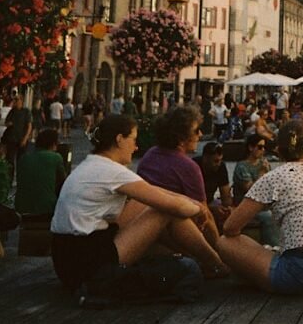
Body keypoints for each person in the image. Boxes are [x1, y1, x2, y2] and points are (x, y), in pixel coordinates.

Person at [50, 114, 229, 294]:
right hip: (91, 266)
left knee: (142, 204)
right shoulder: (113, 172)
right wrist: (200, 209)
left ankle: (203, 260)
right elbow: (176, 207)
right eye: (134, 140)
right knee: (163, 211)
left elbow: (154, 191)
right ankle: (215, 263)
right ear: (120, 139)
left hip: (67, 261)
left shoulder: (93, 165)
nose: (136, 147)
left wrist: (191, 202)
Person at [218, 120, 303, 294]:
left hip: (297, 275)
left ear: (278, 150)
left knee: (224, 242)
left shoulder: (273, 178)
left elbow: (230, 228)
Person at [136, 105, 221, 248]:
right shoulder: (189, 167)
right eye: (196, 131)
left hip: (145, 230)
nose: (200, 134)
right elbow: (205, 215)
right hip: (176, 235)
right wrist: (220, 250)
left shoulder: (150, 154)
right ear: (181, 138)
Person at [15, 128, 67, 219]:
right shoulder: (56, 157)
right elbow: (64, 183)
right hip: (46, 208)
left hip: (22, 207)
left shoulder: (24, 158)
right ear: (54, 144)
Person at [194, 142, 233, 229]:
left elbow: (225, 195)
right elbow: (190, 197)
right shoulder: (194, 166)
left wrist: (227, 208)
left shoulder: (221, 167)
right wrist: (210, 208)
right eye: (215, 161)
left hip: (211, 201)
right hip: (194, 203)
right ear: (205, 158)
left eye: (220, 160)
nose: (218, 164)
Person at [3, 94, 32, 169]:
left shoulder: (26, 111)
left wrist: (25, 139)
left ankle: (20, 177)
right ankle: (10, 176)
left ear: (21, 101)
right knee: (10, 159)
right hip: (12, 138)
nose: (15, 101)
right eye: (15, 100)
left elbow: (29, 126)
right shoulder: (12, 111)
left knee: (21, 160)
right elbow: (6, 122)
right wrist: (8, 124)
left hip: (21, 138)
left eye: (17, 100)